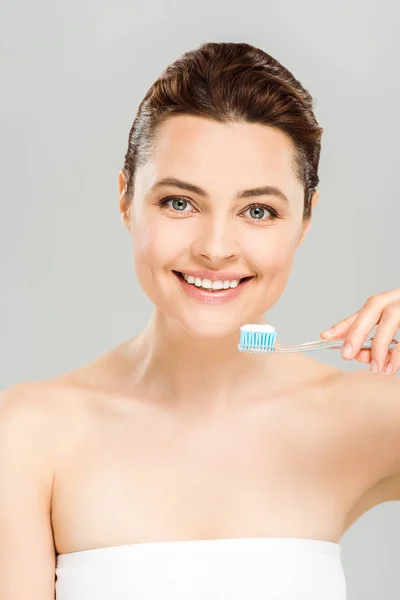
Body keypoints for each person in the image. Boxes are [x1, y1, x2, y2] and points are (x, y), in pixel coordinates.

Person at [1, 41, 399, 600]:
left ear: (305, 220)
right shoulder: (31, 432)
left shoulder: (368, 418)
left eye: (257, 211)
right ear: (126, 199)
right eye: (180, 203)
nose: (215, 249)